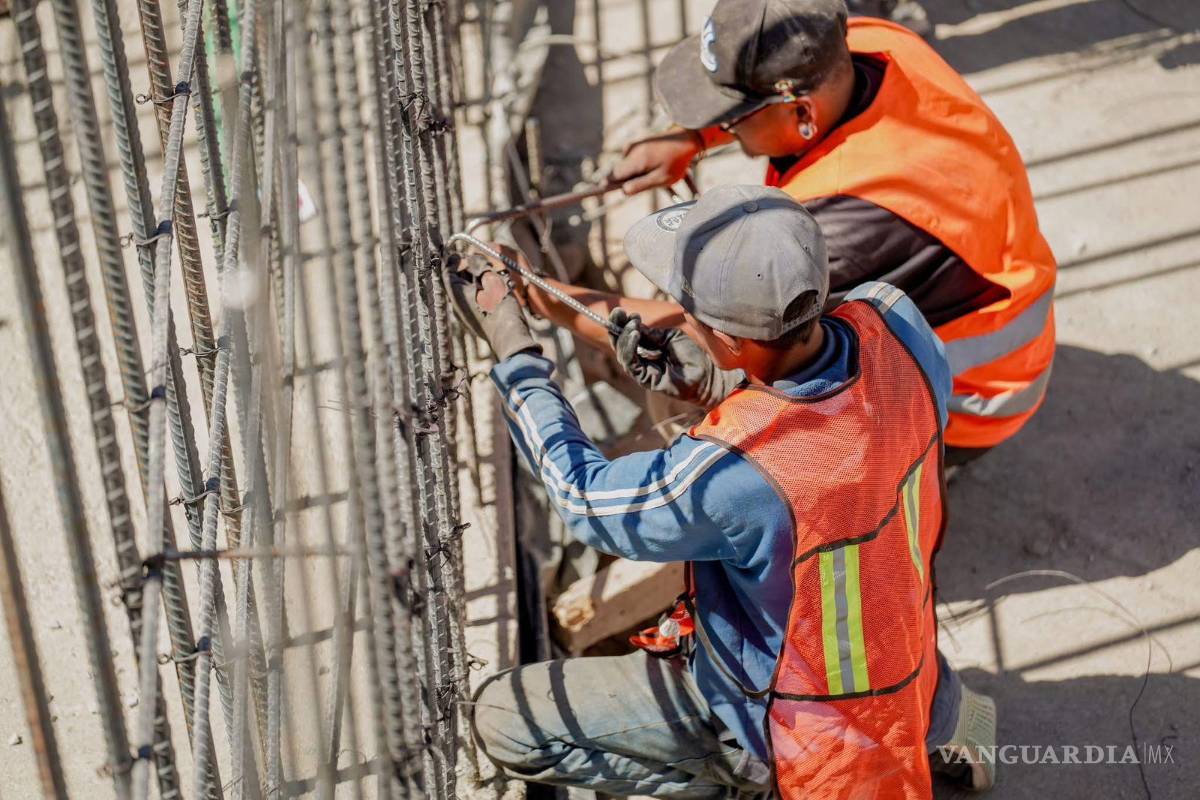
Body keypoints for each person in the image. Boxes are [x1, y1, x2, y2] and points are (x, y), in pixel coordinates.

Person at [451, 185, 997, 798]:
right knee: (903, 678)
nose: (678, 315)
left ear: (733, 339)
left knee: (504, 719)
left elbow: (583, 498)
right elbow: (837, 412)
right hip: (903, 638)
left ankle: (739, 779)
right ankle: (953, 725)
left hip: (791, 716)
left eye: (687, 311)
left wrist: (515, 352)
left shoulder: (735, 473)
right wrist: (719, 374)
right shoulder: (895, 321)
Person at [507, 0, 1056, 464]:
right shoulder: (865, 43)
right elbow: (781, 107)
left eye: (731, 115)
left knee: (698, 395)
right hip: (964, 306)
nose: (724, 127)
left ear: (801, 113)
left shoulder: (847, 224)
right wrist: (690, 139)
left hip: (972, 399)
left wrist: (539, 297)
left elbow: (692, 340)